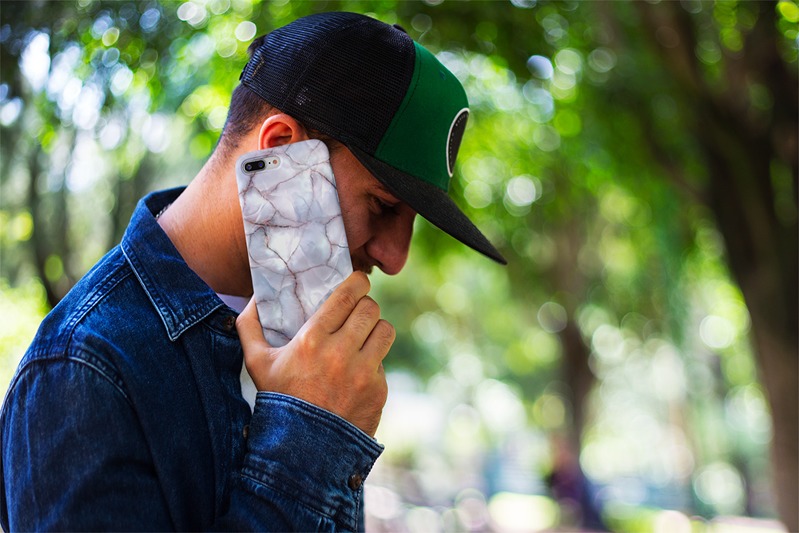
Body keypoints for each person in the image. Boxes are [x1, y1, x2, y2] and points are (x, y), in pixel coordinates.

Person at [0, 11, 505, 531]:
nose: (395, 258)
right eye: (382, 205)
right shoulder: (82, 369)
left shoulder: (308, 342)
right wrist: (310, 433)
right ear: (281, 147)